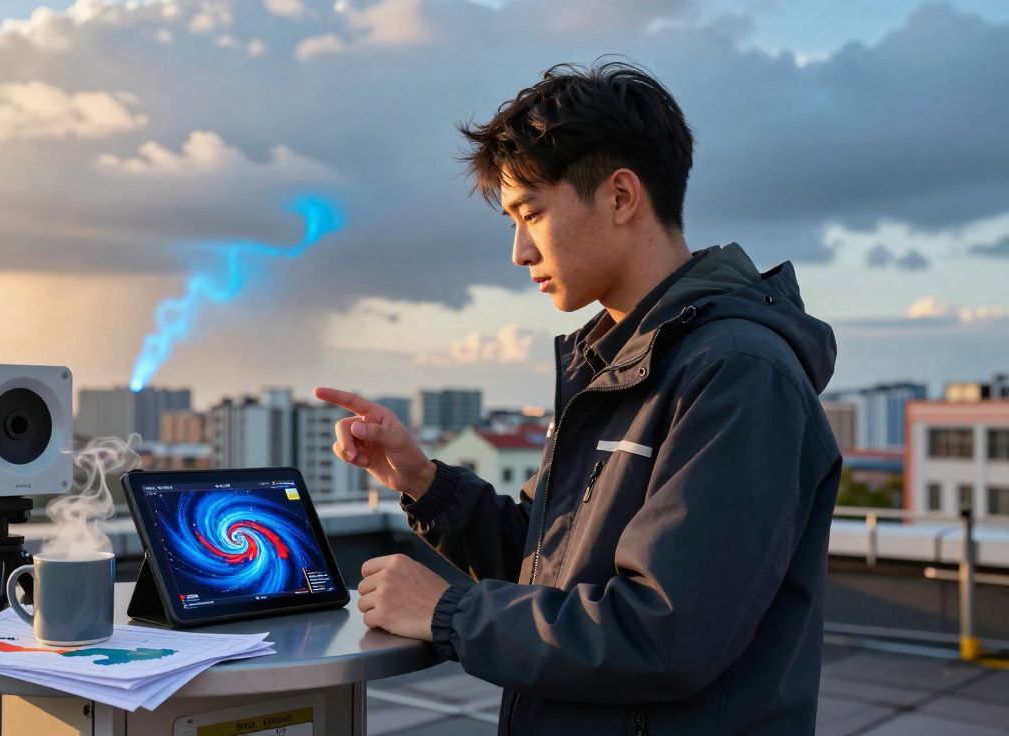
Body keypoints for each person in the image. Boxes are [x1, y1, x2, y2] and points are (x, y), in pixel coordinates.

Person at [314, 60, 843, 735]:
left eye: (530, 213)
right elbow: (551, 564)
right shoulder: (619, 364)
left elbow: (665, 632)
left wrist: (449, 612)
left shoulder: (737, 372)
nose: (518, 252)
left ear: (622, 196)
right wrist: (421, 479)